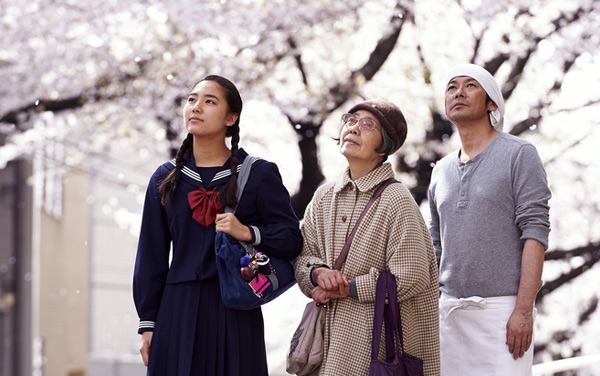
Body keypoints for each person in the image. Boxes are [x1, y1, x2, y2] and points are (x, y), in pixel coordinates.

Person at [133, 75, 302, 376]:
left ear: (231, 118)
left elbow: (291, 238)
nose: (196, 107)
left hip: (235, 307)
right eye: (191, 99)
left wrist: (247, 232)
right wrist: (148, 324)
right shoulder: (165, 178)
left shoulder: (259, 174)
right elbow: (151, 255)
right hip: (176, 310)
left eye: (209, 101)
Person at [294, 99, 440, 375]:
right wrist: (317, 274)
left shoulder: (396, 199)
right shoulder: (324, 196)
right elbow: (303, 255)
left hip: (375, 347)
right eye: (350, 120)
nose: (353, 128)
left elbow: (412, 276)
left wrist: (348, 286)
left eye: (367, 124)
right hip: (324, 345)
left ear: (384, 144)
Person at [428, 63, 551, 375]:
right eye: (451, 87)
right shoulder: (440, 170)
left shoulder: (519, 153)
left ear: (491, 103)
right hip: (449, 314)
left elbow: (535, 232)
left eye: (470, 86)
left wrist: (523, 311)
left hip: (503, 313)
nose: (458, 92)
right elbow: (436, 244)